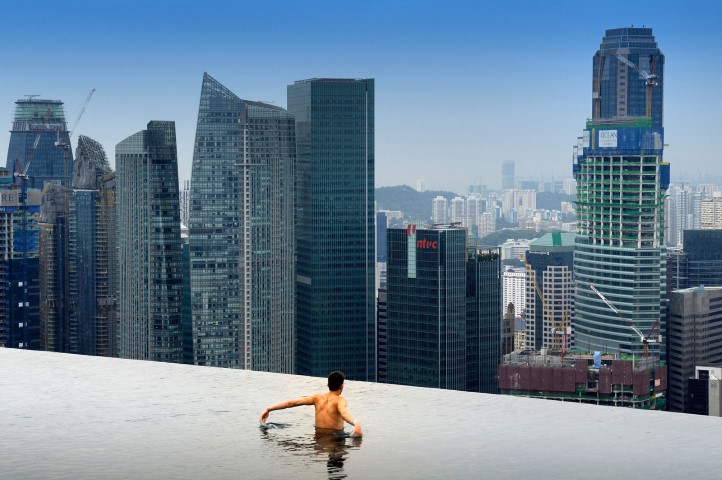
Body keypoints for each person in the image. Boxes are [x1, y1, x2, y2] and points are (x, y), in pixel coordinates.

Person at [259, 371, 363, 437]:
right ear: (342, 387)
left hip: (318, 436)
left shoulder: (316, 398)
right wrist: (356, 423)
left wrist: (268, 409)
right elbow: (344, 413)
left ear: (327, 384)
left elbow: (292, 403)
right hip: (334, 438)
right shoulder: (340, 400)